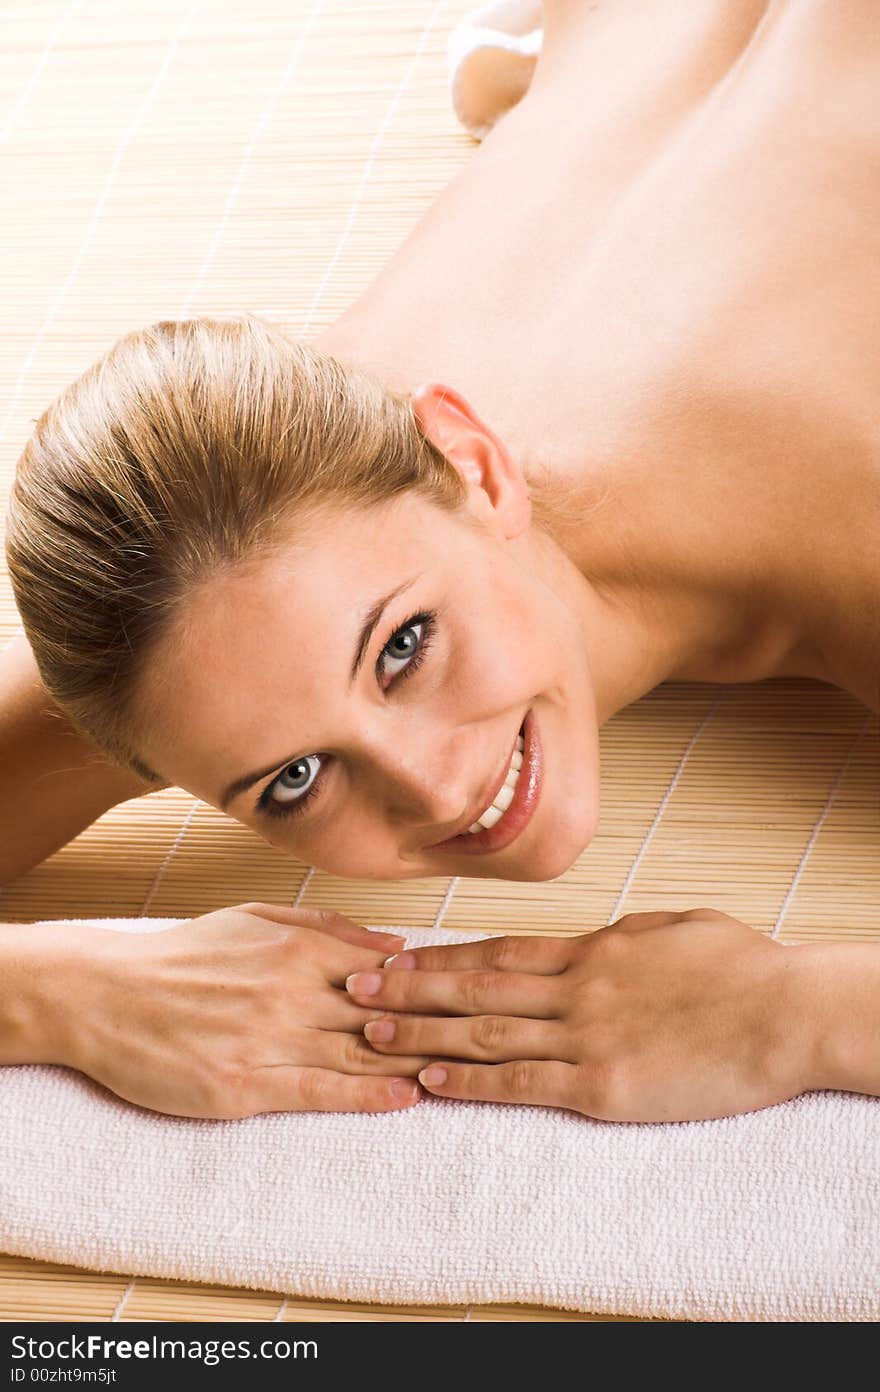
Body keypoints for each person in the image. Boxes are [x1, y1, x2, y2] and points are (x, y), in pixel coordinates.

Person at [1, 0, 878, 1124]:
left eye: (403, 648)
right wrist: (60, 991)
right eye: (293, 782)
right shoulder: (242, 556)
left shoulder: (840, 513)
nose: (429, 786)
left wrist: (794, 1011)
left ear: (475, 464)